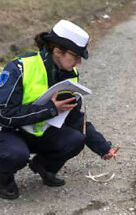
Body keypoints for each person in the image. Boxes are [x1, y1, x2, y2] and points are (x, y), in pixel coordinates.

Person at [0, 20, 118, 200]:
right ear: (57, 51)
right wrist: (50, 109)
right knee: (16, 154)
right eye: (76, 56)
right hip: (9, 133)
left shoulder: (70, 74)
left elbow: (75, 119)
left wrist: (102, 147)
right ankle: (3, 180)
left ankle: (44, 166)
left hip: (38, 133)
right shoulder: (20, 68)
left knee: (76, 139)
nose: (79, 61)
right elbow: (4, 114)